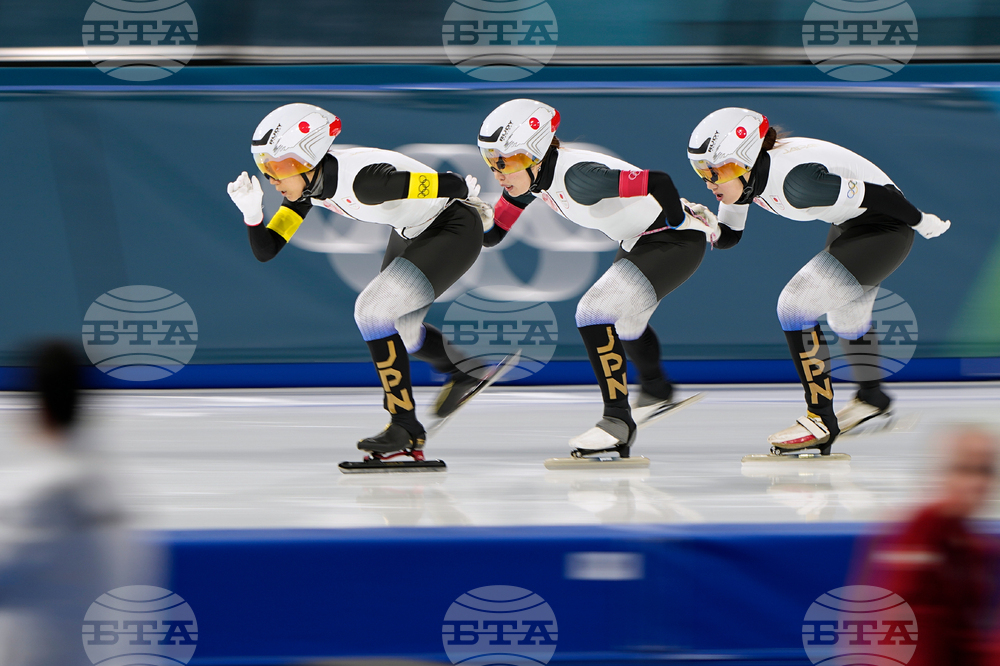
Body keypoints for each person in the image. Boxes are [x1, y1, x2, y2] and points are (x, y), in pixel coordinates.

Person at [227, 103, 493, 465]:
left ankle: (404, 425)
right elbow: (267, 249)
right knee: (399, 328)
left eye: (280, 167)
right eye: (266, 168)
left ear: (310, 159)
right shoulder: (309, 188)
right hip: (412, 230)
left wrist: (468, 197)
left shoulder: (365, 183)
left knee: (373, 310)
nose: (273, 179)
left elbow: (453, 182)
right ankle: (462, 372)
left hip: (453, 227)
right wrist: (252, 213)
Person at [687, 108, 951, 456]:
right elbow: (731, 235)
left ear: (747, 160)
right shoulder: (747, 178)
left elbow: (880, 197)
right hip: (853, 224)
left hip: (887, 227)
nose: (709, 183)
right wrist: (706, 227)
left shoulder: (797, 183)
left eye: (716, 171)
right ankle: (872, 398)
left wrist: (922, 221)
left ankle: (821, 419)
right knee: (846, 318)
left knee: (795, 304)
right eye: (702, 171)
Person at [477, 99, 722, 460]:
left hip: (674, 241)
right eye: (491, 161)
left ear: (536, 154)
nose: (498, 173)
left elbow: (660, 181)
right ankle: (656, 389)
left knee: (594, 312)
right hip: (640, 240)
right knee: (627, 323)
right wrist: (470, 217)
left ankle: (617, 421)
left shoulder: (579, 177)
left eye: (506, 162)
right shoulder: (530, 178)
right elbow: (493, 235)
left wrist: (679, 219)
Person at [857, 426, 999, 666]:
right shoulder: (918, 536)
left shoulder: (977, 549)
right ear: (942, 474)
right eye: (964, 470)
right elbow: (903, 632)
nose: (976, 483)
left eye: (985, 471)